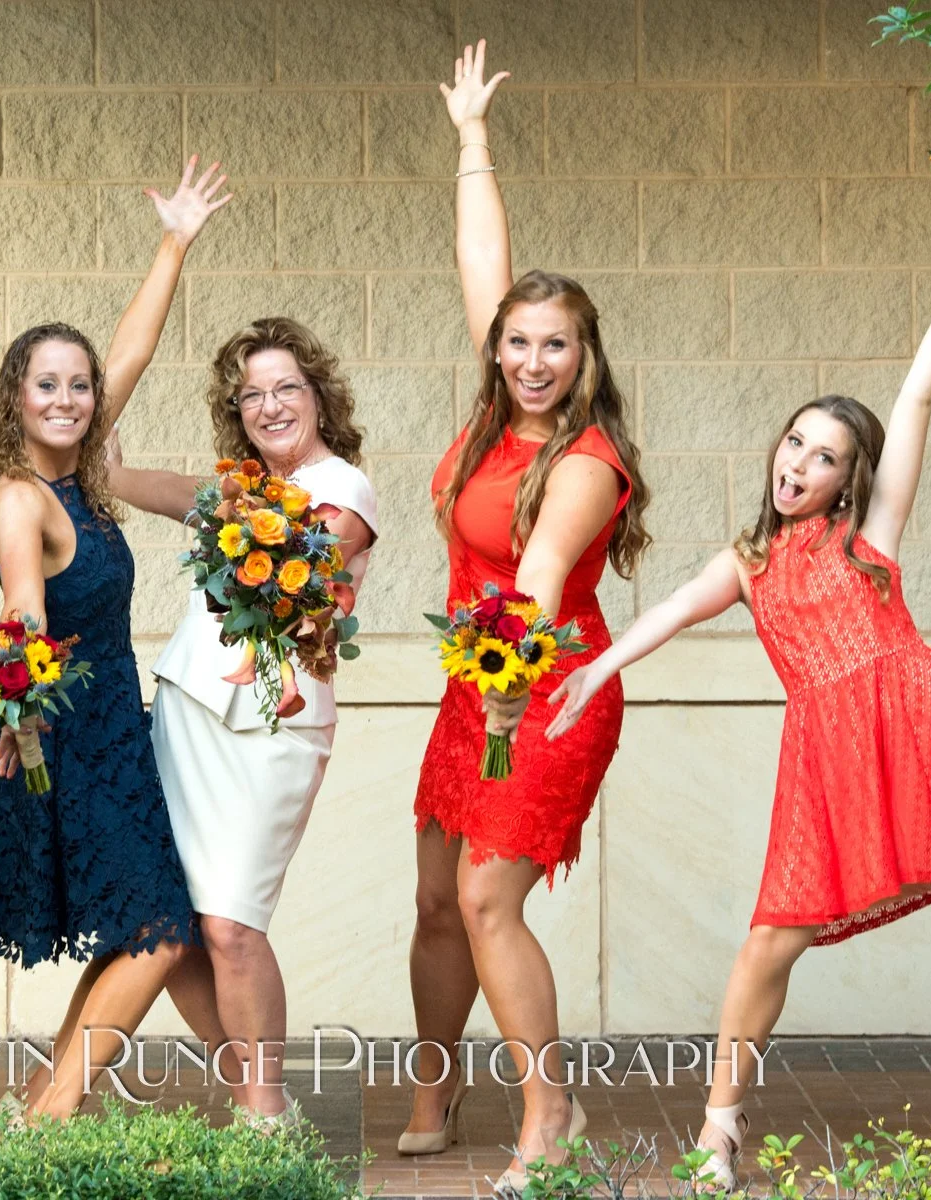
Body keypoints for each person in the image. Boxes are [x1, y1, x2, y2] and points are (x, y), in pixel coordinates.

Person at [547, 232, 931, 1188]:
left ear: (847, 478)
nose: (798, 464)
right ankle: (718, 1129)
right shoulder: (747, 563)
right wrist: (595, 669)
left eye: (823, 456)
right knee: (767, 942)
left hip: (930, 728)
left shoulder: (867, 540)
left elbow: (914, 399)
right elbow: (666, 609)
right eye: (794, 442)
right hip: (828, 759)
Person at [400, 40, 652, 1192]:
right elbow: (481, 260)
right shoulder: (496, 414)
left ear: (585, 356)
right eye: (519, 342)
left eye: (556, 345)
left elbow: (544, 571)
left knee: (488, 897)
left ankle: (550, 1114)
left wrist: (511, 674)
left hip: (545, 687)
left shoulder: (587, 458)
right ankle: (437, 1080)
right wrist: (471, 139)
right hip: (475, 680)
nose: (534, 359)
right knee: (436, 901)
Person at [0, 157, 230, 1121]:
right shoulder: (20, 498)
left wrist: (175, 241)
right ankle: (54, 1116)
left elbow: (134, 349)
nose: (69, 399)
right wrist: (15, 718)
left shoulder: (81, 481)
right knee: (157, 932)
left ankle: (47, 1107)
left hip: (120, 728)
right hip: (66, 740)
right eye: (47, 386)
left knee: (135, 929)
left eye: (78, 386)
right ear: (15, 399)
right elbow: (24, 617)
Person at [108, 315, 377, 1124]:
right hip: (187, 710)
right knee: (177, 923)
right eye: (251, 394)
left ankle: (267, 1114)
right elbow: (117, 475)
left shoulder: (344, 488)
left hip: (272, 727)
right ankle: (256, 1101)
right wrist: (96, 419)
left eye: (286, 387)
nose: (269, 406)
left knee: (231, 922)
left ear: (318, 397)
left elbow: (294, 585)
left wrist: (219, 511)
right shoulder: (235, 495)